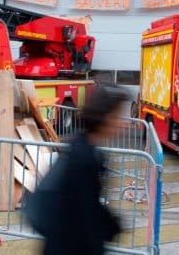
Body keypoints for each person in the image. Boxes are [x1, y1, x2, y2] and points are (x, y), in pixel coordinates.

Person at [26, 84, 129, 255]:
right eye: (118, 116)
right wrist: (109, 227)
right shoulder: (85, 157)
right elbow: (85, 215)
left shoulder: (80, 147)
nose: (122, 122)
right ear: (106, 119)